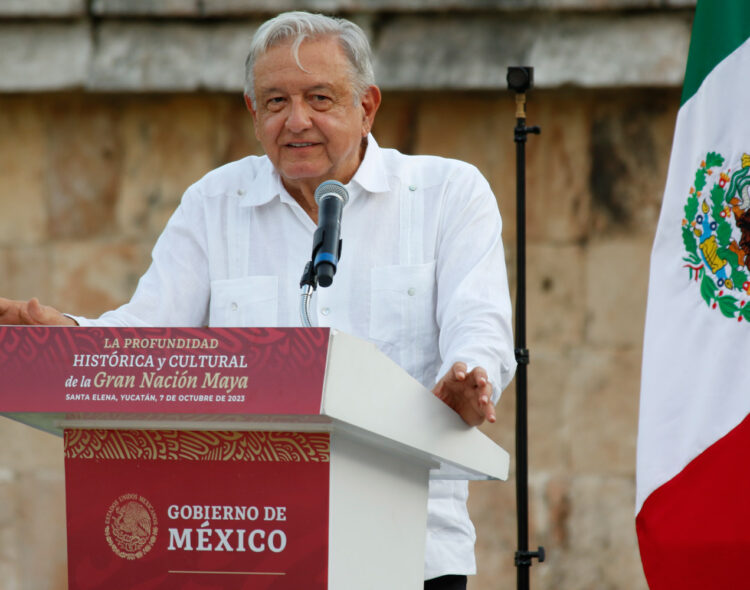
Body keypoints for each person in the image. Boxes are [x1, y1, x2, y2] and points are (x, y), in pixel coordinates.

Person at [0, 11, 515, 589]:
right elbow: (144, 339)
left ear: (367, 106)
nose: (296, 121)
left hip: (411, 550)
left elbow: (480, 324)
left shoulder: (446, 193)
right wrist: (61, 334)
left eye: (320, 98)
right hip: (248, 547)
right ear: (252, 113)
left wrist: (469, 379)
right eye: (274, 102)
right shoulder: (214, 203)